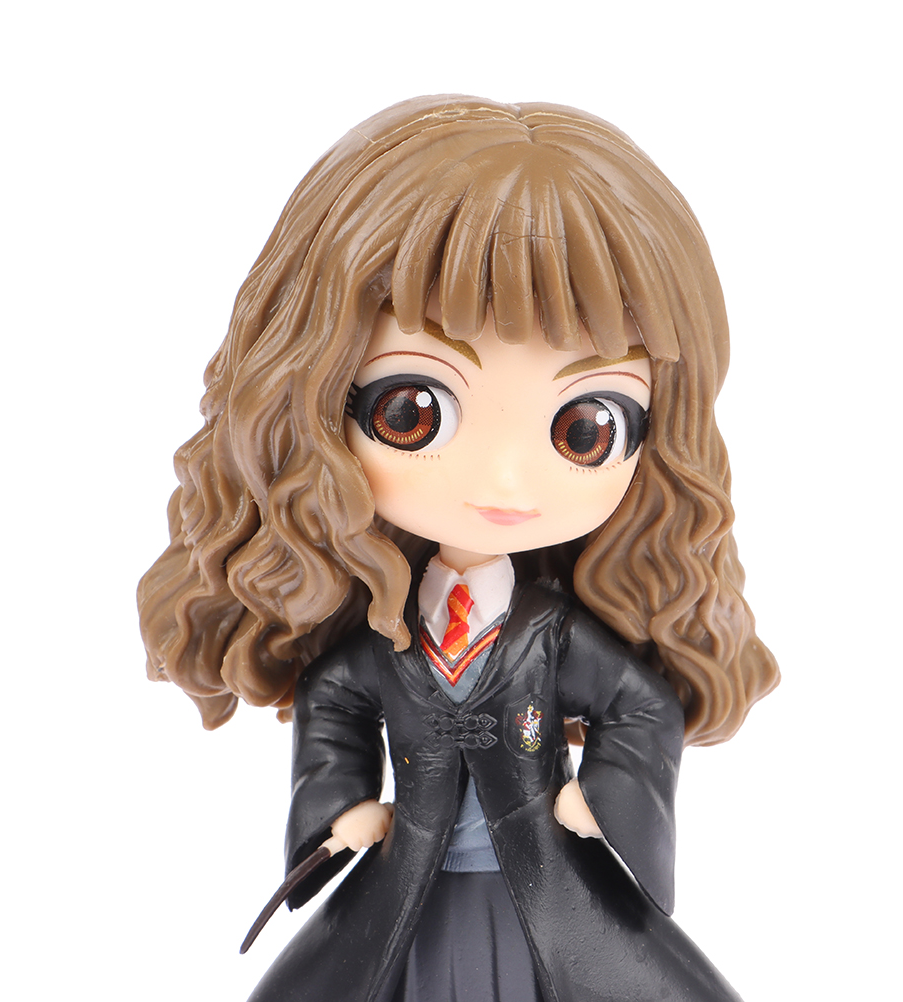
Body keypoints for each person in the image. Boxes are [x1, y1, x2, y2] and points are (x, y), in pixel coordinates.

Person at [139, 95, 780, 1002]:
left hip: (543, 881)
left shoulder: (551, 634)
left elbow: (640, 705)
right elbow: (334, 702)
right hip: (414, 877)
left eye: (586, 427)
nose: (507, 482)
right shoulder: (386, 632)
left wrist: (603, 795)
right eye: (413, 411)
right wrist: (339, 806)